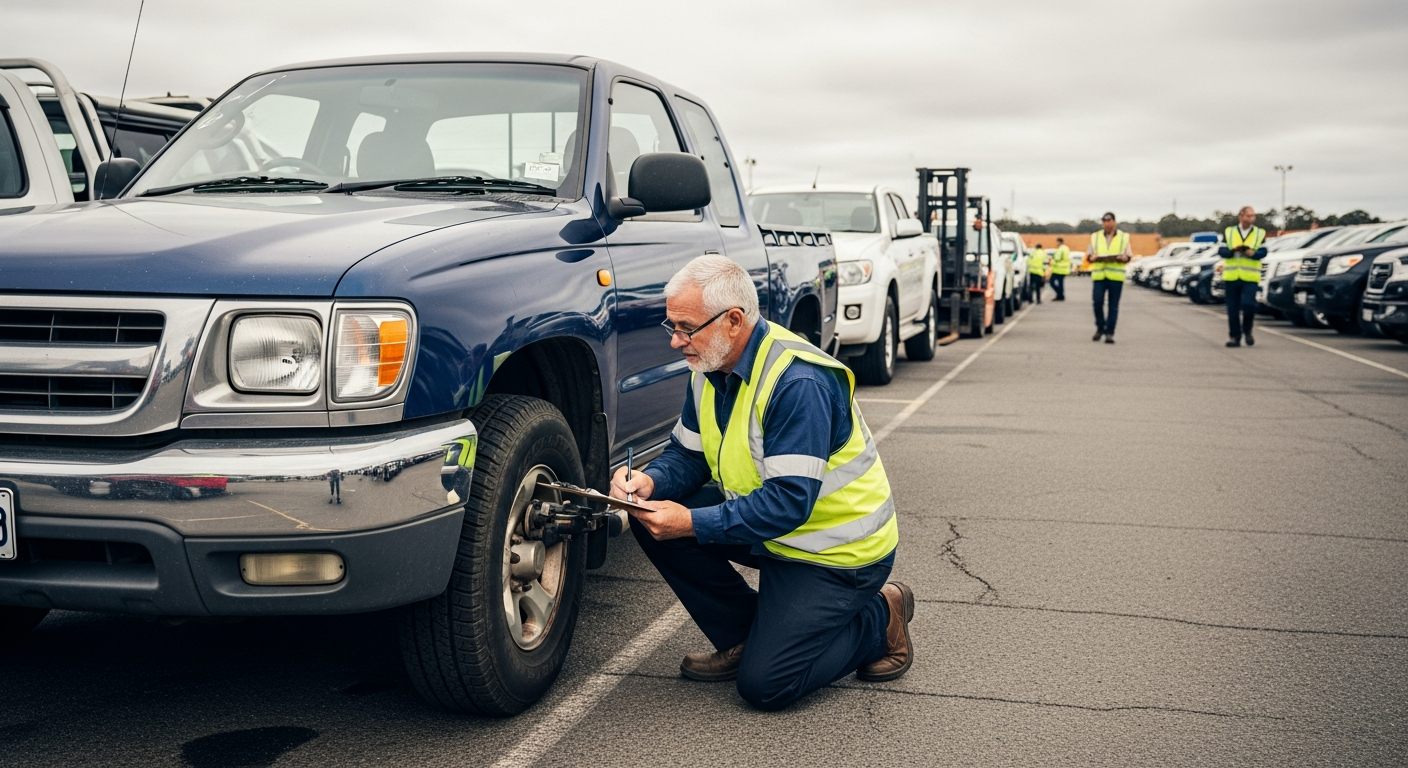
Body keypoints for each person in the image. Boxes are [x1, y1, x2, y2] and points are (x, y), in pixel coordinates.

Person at [610, 254, 911, 711]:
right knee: (653, 518)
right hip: (777, 533)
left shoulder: (797, 381)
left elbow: (789, 503)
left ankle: (879, 617)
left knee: (767, 686)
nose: (675, 342)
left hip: (834, 554)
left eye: (685, 327)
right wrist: (650, 481)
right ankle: (746, 637)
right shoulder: (709, 367)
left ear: (733, 321)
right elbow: (687, 457)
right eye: (670, 326)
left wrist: (690, 521)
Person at [1221, 206, 1267, 347]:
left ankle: (1247, 330)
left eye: (1253, 216)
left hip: (1250, 277)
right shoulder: (1229, 232)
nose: (1251, 218)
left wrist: (1253, 253)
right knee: (1232, 309)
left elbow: (1264, 251)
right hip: (1232, 276)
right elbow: (1221, 250)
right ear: (1240, 217)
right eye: (1248, 216)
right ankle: (1235, 337)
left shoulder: (1260, 233)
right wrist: (1232, 251)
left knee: (1248, 305)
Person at [1087, 212, 1132, 343]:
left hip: (1116, 277)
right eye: (1104, 221)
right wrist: (1092, 258)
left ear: (1114, 222)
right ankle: (1100, 327)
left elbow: (1129, 255)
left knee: (1113, 306)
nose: (1107, 223)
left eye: (1109, 220)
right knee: (1097, 303)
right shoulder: (1095, 237)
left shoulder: (1124, 237)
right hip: (1099, 276)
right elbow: (1089, 255)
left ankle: (1109, 333)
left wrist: (1124, 258)